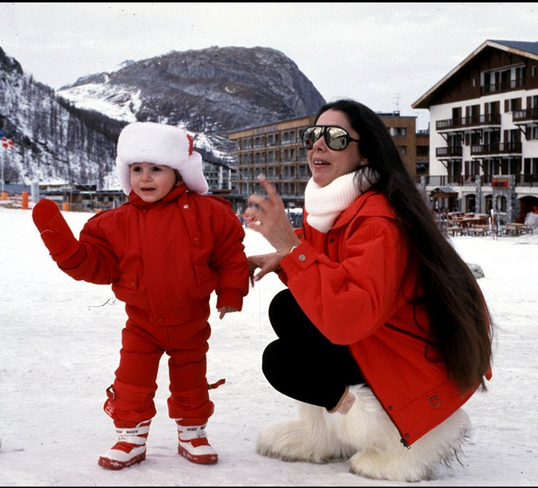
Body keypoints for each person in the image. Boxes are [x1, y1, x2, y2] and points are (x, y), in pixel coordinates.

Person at [245, 99, 493, 482]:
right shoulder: (340, 208)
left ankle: (392, 436)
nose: (318, 145)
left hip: (412, 370)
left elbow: (349, 316)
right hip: (384, 343)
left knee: (284, 362)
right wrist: (285, 254)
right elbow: (337, 262)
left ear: (364, 155)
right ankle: (325, 434)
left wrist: (293, 251)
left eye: (336, 137)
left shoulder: (379, 219)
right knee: (288, 308)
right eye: (313, 135)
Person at [32, 122, 250, 470]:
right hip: (142, 324)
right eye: (137, 169)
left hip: (191, 322)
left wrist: (231, 290)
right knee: (131, 381)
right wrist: (66, 251)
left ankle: (193, 432)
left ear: (179, 173)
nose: (145, 178)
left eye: (156, 169)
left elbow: (230, 254)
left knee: (191, 381)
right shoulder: (114, 223)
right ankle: (130, 438)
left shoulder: (209, 214)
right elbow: (98, 266)